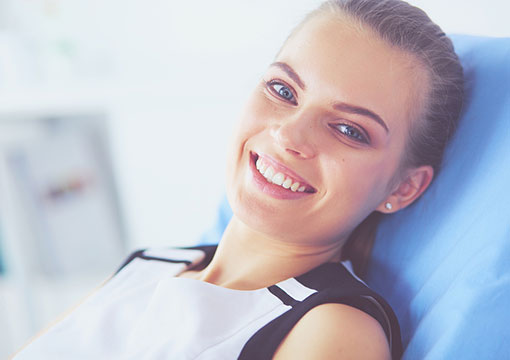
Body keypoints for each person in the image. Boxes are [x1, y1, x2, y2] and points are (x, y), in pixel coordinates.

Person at [13, 0, 463, 359]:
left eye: (349, 130)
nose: (288, 134)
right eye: (283, 90)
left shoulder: (333, 329)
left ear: (404, 188)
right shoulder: (148, 265)